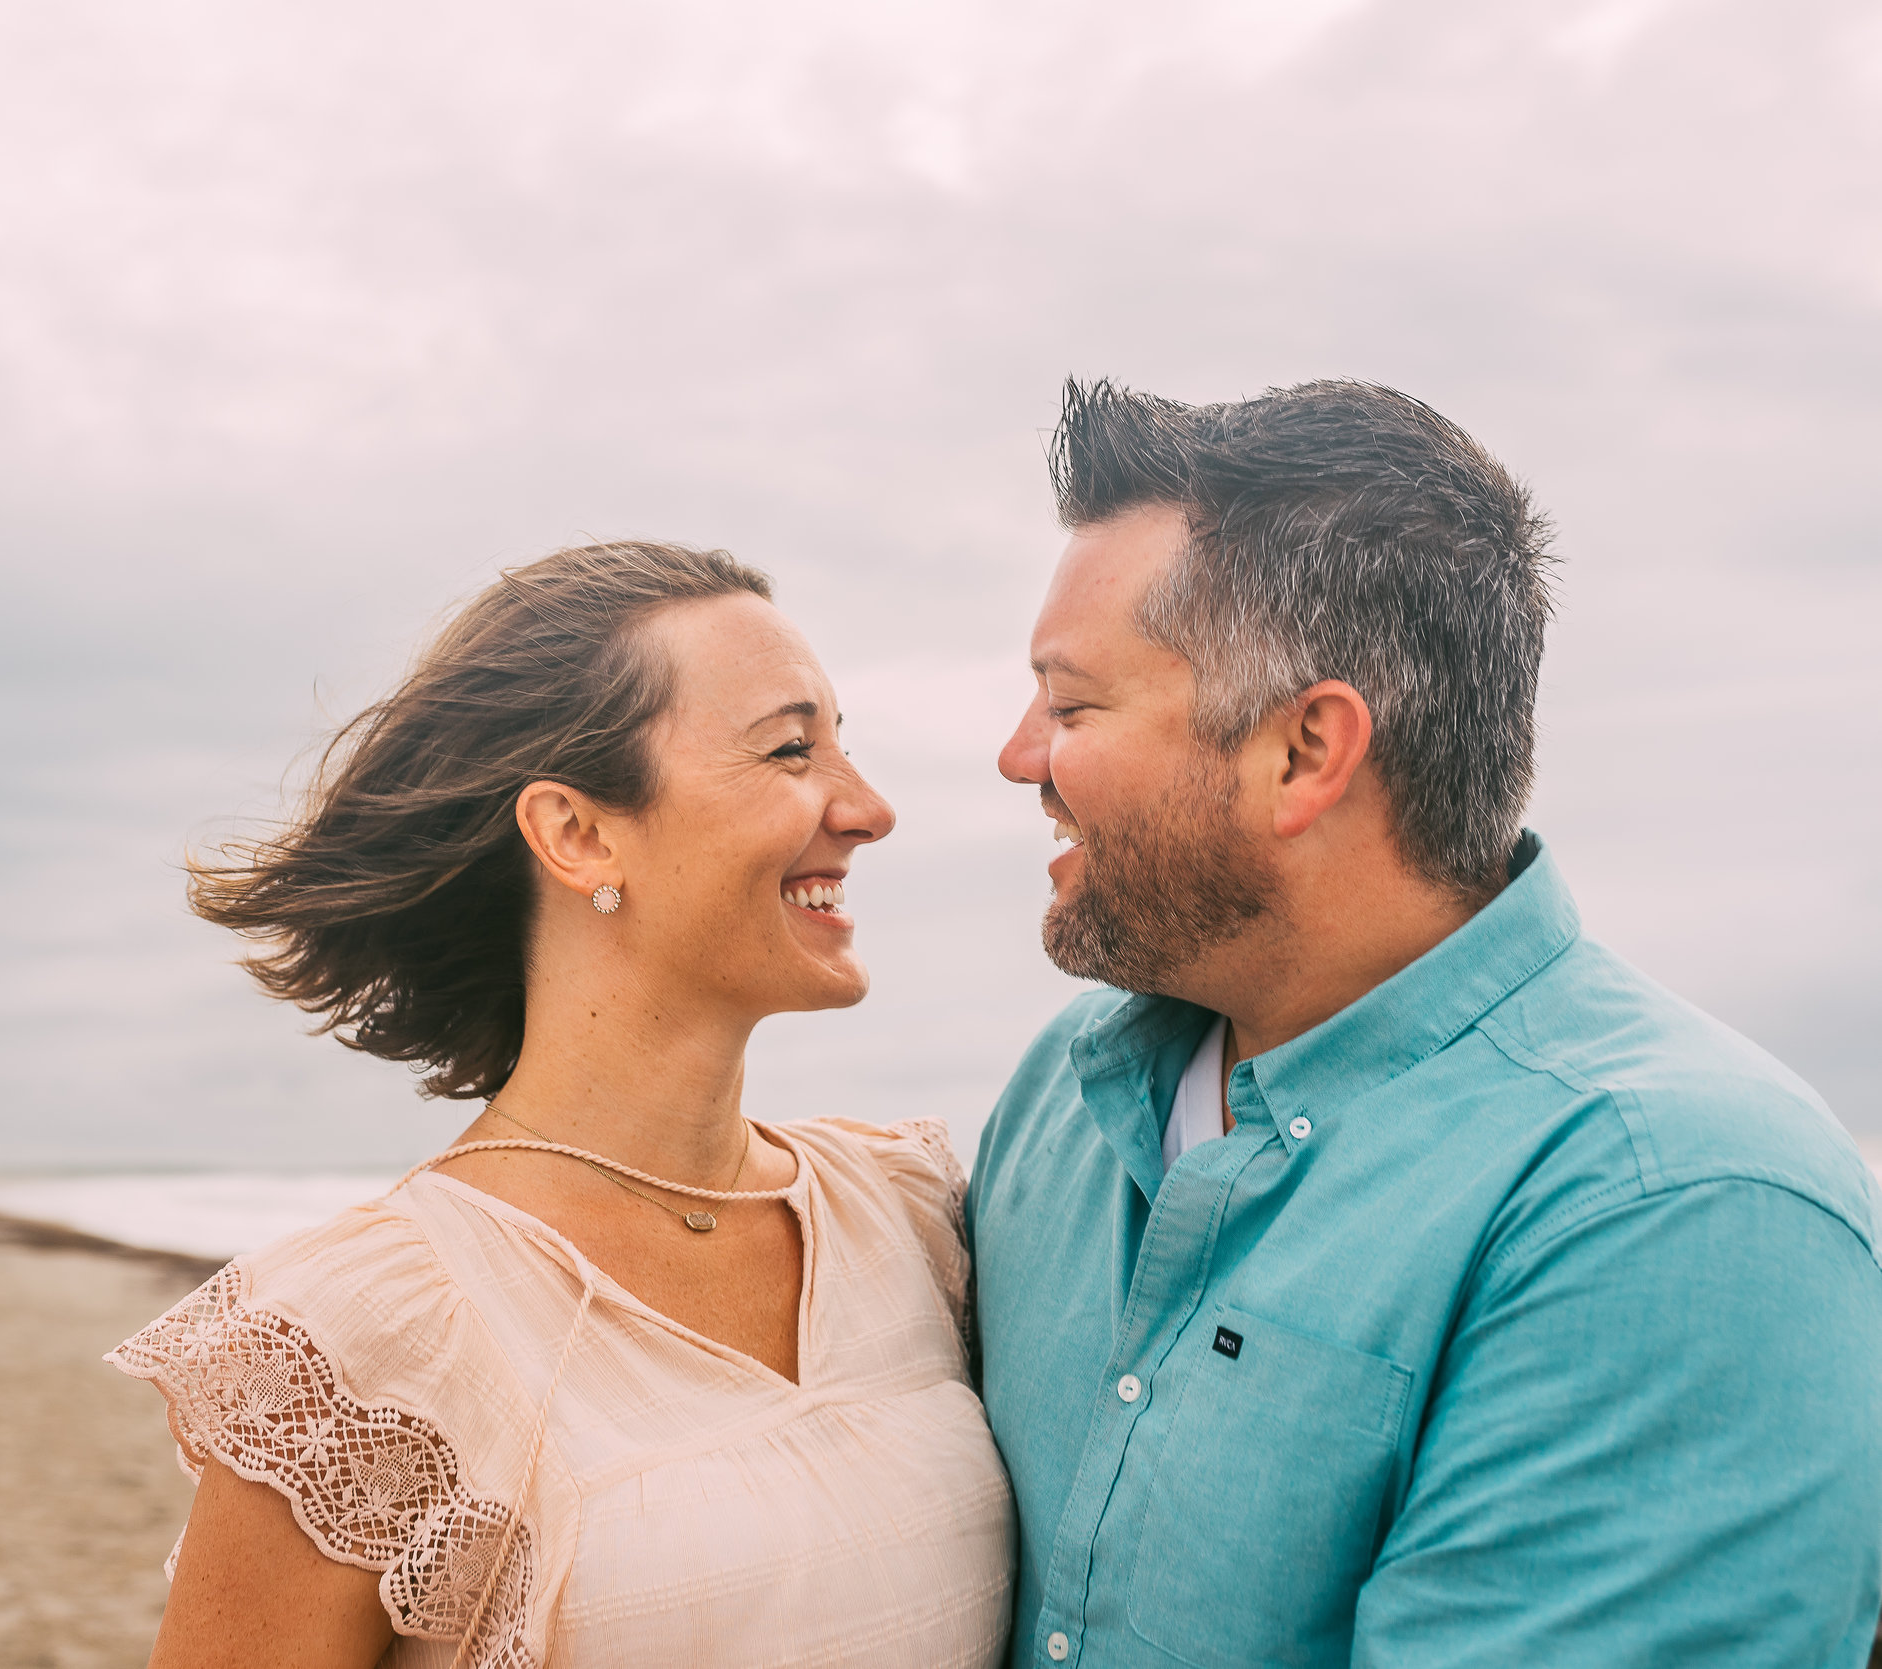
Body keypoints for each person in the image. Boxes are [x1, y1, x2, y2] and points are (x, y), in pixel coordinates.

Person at [969, 377, 1882, 1666]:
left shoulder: (1671, 1203)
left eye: (1070, 707)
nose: (1018, 758)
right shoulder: (1056, 1100)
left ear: (1303, 750)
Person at [110, 542, 1013, 1668]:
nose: (867, 807)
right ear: (578, 833)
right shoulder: (365, 1334)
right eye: (791, 748)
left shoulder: (911, 1215)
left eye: (844, 742)